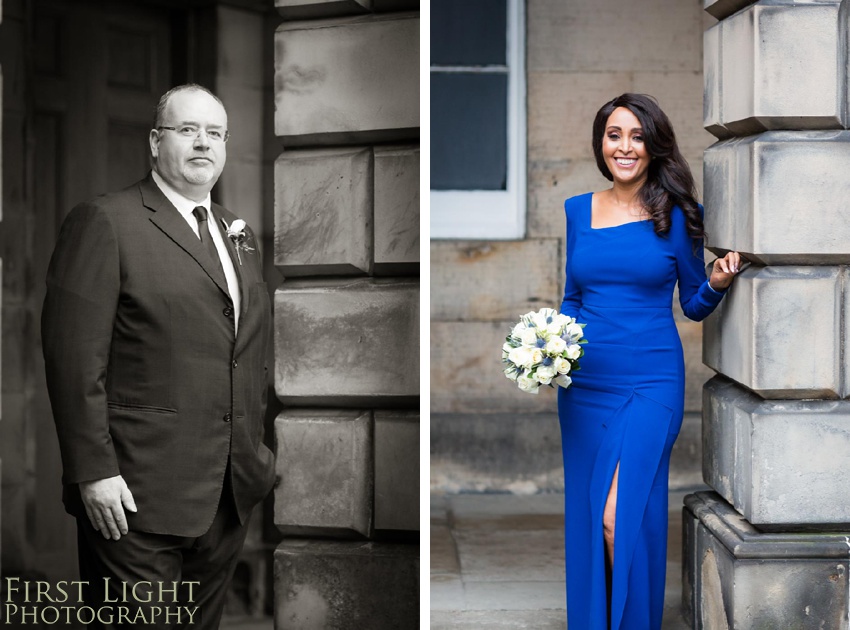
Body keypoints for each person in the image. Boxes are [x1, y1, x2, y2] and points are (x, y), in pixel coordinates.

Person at [41, 84, 275, 629]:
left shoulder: (238, 235)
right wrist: (92, 471)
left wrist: (258, 458)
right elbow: (72, 358)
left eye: (214, 133)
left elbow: (247, 355)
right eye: (186, 130)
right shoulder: (105, 221)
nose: (203, 144)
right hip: (132, 499)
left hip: (227, 496)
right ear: (154, 141)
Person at [558, 93, 743, 629]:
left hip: (649, 383)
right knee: (593, 516)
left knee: (620, 515)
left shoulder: (678, 215)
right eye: (615, 135)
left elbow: (691, 303)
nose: (625, 146)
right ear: (601, 142)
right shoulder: (577, 210)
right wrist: (550, 349)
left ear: (654, 146)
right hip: (583, 385)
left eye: (637, 136)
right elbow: (572, 297)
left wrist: (716, 282)